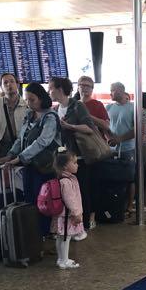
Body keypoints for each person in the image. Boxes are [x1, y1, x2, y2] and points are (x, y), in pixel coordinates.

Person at [0, 82, 62, 235]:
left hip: (45, 166)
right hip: (30, 165)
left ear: (41, 99)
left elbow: (42, 142)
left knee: (44, 201)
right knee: (30, 199)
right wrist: (11, 154)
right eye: (27, 100)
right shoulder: (29, 115)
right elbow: (21, 138)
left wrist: (19, 158)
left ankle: (44, 233)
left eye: (32, 99)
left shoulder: (50, 117)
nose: (29, 103)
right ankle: (33, 234)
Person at [49, 76, 96, 236]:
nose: (49, 92)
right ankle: (72, 227)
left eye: (51, 88)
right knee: (68, 194)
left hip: (79, 158)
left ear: (60, 89)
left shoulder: (77, 106)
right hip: (64, 158)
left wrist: (70, 126)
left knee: (81, 191)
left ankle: (83, 227)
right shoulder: (55, 110)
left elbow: (90, 128)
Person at [50, 150, 84, 270]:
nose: (77, 165)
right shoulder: (67, 181)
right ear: (65, 166)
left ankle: (61, 258)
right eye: (74, 163)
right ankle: (64, 260)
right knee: (66, 238)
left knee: (61, 237)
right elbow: (70, 199)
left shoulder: (62, 179)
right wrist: (76, 213)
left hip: (61, 215)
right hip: (68, 216)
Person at [107, 82, 136, 214]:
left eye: (112, 90)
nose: (110, 93)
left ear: (120, 91)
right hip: (112, 149)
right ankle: (116, 203)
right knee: (114, 177)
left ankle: (130, 205)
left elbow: (137, 129)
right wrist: (109, 138)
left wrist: (120, 139)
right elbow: (105, 127)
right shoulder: (108, 108)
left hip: (128, 148)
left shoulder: (133, 108)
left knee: (130, 178)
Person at [0, 73, 28, 159]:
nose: (9, 84)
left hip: (22, 146)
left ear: (17, 84)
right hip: (2, 146)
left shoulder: (26, 105)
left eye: (12, 81)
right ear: (1, 87)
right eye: (5, 83)